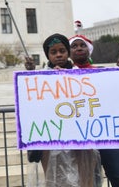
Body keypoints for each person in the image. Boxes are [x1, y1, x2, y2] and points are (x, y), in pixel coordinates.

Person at [27, 33, 101, 187]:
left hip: (81, 143)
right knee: (55, 180)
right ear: (47, 55)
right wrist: (31, 74)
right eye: (53, 52)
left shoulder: (83, 77)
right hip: (51, 143)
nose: (58, 55)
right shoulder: (39, 79)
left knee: (84, 181)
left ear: (68, 53)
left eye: (62, 50)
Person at [69, 34, 119, 187]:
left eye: (82, 45)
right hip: (82, 137)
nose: (79, 48)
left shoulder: (104, 73)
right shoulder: (61, 75)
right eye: (74, 46)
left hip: (108, 134)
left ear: (89, 50)